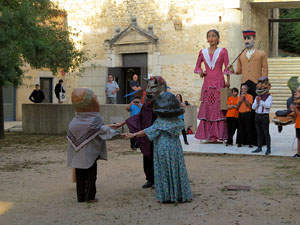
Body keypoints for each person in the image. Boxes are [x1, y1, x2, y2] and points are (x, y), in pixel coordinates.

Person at [123, 92, 193, 203]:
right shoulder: (178, 121)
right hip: (175, 150)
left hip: (162, 150)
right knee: (176, 170)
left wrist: (134, 135)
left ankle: (167, 196)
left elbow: (147, 131)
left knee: (164, 171)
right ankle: (178, 194)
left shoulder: (160, 123)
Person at [111, 76, 167, 189]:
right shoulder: (147, 103)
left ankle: (160, 180)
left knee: (159, 157)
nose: (150, 90)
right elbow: (140, 116)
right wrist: (121, 123)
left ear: (161, 88)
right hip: (146, 134)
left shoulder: (165, 102)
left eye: (153, 87)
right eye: (148, 87)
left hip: (159, 136)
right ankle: (150, 179)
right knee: (147, 156)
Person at [67, 88, 120, 203]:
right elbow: (101, 130)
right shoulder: (94, 119)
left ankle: (80, 197)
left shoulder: (75, 120)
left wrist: (110, 127)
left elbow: (92, 129)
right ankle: (90, 196)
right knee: (91, 175)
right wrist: (120, 134)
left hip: (78, 153)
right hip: (90, 152)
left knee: (80, 175)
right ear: (91, 102)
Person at [194, 29, 232, 142]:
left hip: (219, 82)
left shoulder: (223, 51)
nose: (211, 38)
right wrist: (201, 72)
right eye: (209, 36)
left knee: (218, 107)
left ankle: (219, 135)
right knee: (208, 107)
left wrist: (228, 80)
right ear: (207, 39)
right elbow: (197, 67)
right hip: (207, 83)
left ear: (218, 39)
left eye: (214, 36)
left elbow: (227, 67)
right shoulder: (202, 52)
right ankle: (207, 135)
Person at [235, 30, 268, 145]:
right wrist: (231, 71)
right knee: (243, 111)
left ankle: (257, 139)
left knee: (256, 110)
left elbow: (265, 68)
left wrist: (263, 82)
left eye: (249, 38)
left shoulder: (261, 53)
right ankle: (243, 139)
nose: (247, 41)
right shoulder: (241, 54)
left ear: (254, 39)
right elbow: (239, 71)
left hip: (257, 84)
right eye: (245, 39)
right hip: (244, 83)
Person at [251, 77, 272, 155]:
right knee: (259, 132)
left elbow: (267, 106)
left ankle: (268, 148)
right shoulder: (257, 97)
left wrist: (260, 102)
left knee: (266, 132)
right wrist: (256, 102)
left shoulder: (269, 97)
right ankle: (259, 147)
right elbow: (253, 107)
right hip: (257, 115)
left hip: (264, 116)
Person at [290, 85, 300, 158]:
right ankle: (298, 153)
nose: (295, 93)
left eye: (298, 92)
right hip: (298, 124)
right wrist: (294, 110)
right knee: (299, 139)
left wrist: (295, 110)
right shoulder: (297, 104)